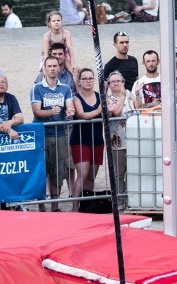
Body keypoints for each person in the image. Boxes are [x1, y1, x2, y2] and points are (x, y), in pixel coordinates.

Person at [30, 55, 75, 210]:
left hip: (59, 134)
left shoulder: (65, 88)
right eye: (49, 66)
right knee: (42, 171)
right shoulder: (37, 88)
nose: (52, 69)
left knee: (57, 170)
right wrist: (50, 111)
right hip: (42, 134)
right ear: (44, 68)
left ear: (59, 68)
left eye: (55, 66)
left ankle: (55, 206)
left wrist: (70, 111)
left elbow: (69, 106)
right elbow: (36, 111)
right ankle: (42, 207)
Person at [70, 68, 103, 210]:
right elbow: (82, 115)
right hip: (80, 140)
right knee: (82, 174)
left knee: (91, 176)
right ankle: (75, 206)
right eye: (85, 78)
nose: (88, 81)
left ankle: (87, 205)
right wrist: (101, 109)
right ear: (79, 81)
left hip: (97, 140)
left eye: (91, 78)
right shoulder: (76, 98)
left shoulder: (99, 96)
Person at [106, 72, 134, 197]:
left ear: (123, 82)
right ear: (109, 84)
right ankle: (120, 200)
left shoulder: (130, 94)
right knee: (119, 173)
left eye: (118, 80)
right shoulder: (108, 98)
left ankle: (130, 199)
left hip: (133, 139)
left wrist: (135, 95)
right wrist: (123, 98)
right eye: (113, 81)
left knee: (132, 172)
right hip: (117, 140)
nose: (116, 83)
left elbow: (138, 106)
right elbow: (116, 113)